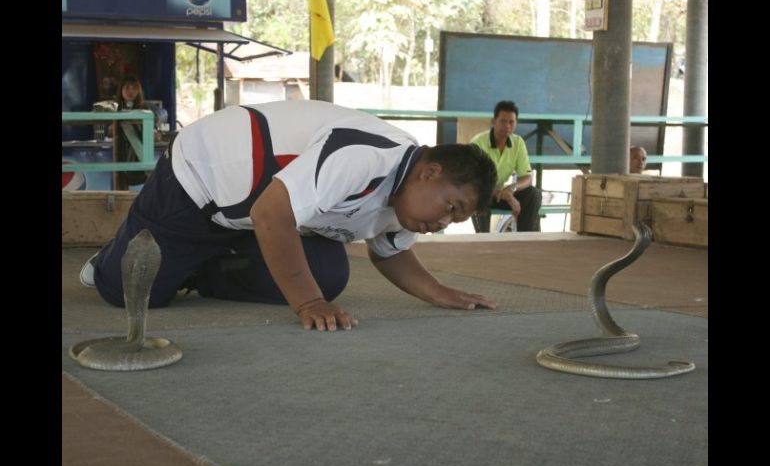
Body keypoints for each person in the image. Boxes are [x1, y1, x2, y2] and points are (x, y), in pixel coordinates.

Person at [79, 100, 499, 332]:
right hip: (198, 184)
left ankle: (199, 270)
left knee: (329, 274)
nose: (443, 223)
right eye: (450, 209)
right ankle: (107, 261)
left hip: (257, 219)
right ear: (430, 172)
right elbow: (272, 211)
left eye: (453, 220)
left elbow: (390, 253)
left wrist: (438, 292)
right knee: (126, 291)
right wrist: (308, 302)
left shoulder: (406, 202)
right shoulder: (367, 155)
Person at [468, 100, 542, 232]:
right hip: (482, 193)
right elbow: (471, 182)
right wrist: (504, 195)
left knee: (533, 194)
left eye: (511, 122)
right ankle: (482, 239)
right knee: (477, 196)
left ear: (516, 123)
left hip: (501, 194)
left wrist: (512, 189)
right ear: (493, 121)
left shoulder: (518, 142)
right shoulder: (478, 142)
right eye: (502, 121)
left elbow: (527, 177)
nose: (507, 125)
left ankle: (525, 239)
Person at [109, 75, 159, 188]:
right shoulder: (114, 109)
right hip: (120, 154)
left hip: (139, 155)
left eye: (134, 88)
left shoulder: (145, 109)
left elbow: (154, 132)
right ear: (121, 90)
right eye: (127, 88)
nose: (131, 91)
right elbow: (109, 132)